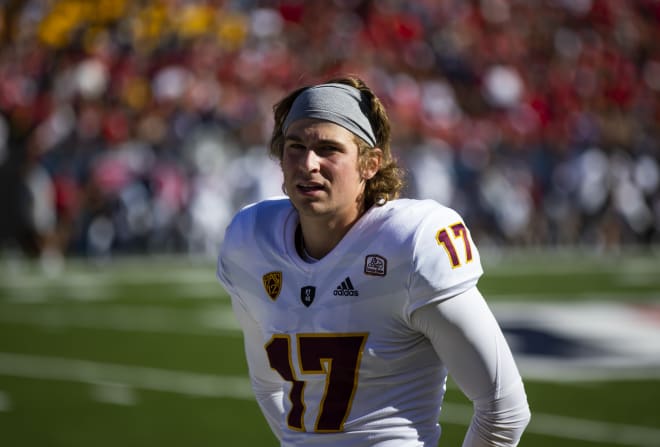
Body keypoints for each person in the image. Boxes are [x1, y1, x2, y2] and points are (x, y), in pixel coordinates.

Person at [217, 76, 531, 446]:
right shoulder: (250, 239)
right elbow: (268, 383)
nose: (308, 164)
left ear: (370, 164)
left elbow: (503, 410)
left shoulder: (410, 242)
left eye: (328, 149)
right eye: (295, 146)